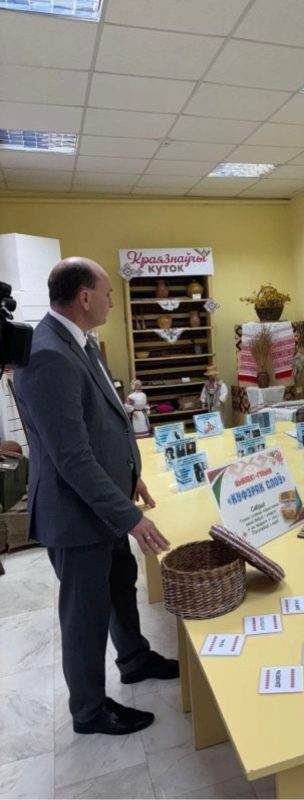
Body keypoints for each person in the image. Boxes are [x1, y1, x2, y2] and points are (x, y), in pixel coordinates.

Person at [14, 257, 179, 737]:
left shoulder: (81, 341)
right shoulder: (47, 355)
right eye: (107, 293)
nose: (111, 301)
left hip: (103, 504)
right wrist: (131, 517)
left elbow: (105, 418)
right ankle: (88, 711)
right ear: (84, 298)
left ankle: (134, 659)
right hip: (75, 515)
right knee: (85, 615)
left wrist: (131, 476)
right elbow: (71, 458)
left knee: (120, 585)